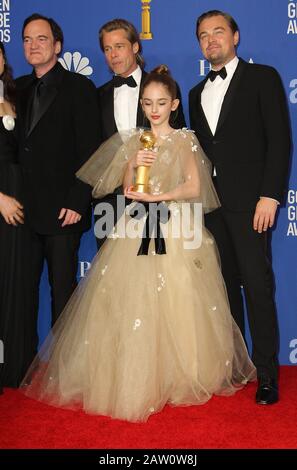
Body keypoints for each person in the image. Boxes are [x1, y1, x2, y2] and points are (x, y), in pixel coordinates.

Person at [21, 66, 256, 423]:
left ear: (174, 104)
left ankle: (179, 375)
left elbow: (195, 188)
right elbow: (125, 187)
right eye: (148, 103)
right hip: (135, 227)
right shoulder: (135, 140)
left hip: (174, 227)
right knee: (132, 302)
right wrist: (134, 166)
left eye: (161, 103)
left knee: (178, 303)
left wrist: (162, 195)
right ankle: (136, 375)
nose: (154, 109)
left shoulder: (185, 139)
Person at [189, 10, 291, 405]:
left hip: (253, 205)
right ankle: (235, 366)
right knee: (225, 288)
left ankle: (267, 374)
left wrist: (270, 195)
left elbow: (279, 140)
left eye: (218, 32)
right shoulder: (196, 93)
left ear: (235, 36)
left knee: (258, 288)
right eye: (203, 35)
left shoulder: (262, 77)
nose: (211, 39)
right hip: (212, 208)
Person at [15, 14, 100, 367]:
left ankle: (65, 372)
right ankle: (22, 364)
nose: (33, 46)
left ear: (58, 46)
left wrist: (79, 200)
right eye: (27, 39)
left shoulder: (79, 87)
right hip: (20, 211)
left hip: (64, 209)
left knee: (63, 292)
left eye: (41, 39)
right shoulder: (14, 89)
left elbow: (91, 150)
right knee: (22, 293)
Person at [94, 19, 186, 250]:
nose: (113, 54)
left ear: (135, 47)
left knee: (156, 272)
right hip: (110, 202)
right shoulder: (97, 97)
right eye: (107, 49)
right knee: (110, 276)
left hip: (158, 197)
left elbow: (178, 141)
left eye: (119, 46)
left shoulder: (161, 87)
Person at [0, 41, 32, 390]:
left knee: (15, 282)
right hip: (2, 199)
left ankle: (13, 365)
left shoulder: (17, 92)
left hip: (19, 199)